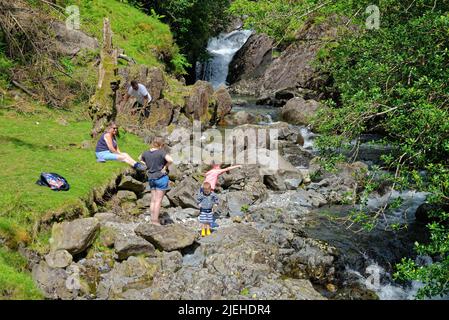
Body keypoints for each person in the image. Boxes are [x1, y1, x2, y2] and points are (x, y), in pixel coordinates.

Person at [140, 136, 173, 225]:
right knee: (158, 201)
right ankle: (155, 221)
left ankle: (152, 219)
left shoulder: (146, 153)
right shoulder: (161, 152)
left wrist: (147, 164)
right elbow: (170, 160)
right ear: (162, 144)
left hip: (151, 178)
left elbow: (139, 158)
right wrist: (165, 167)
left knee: (153, 200)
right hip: (161, 178)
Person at [203, 161, 242, 228]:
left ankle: (207, 221)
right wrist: (238, 166)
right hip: (210, 189)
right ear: (216, 166)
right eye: (218, 165)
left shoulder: (210, 171)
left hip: (203, 188)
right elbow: (228, 168)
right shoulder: (216, 171)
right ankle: (210, 223)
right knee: (211, 205)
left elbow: (204, 175)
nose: (219, 166)